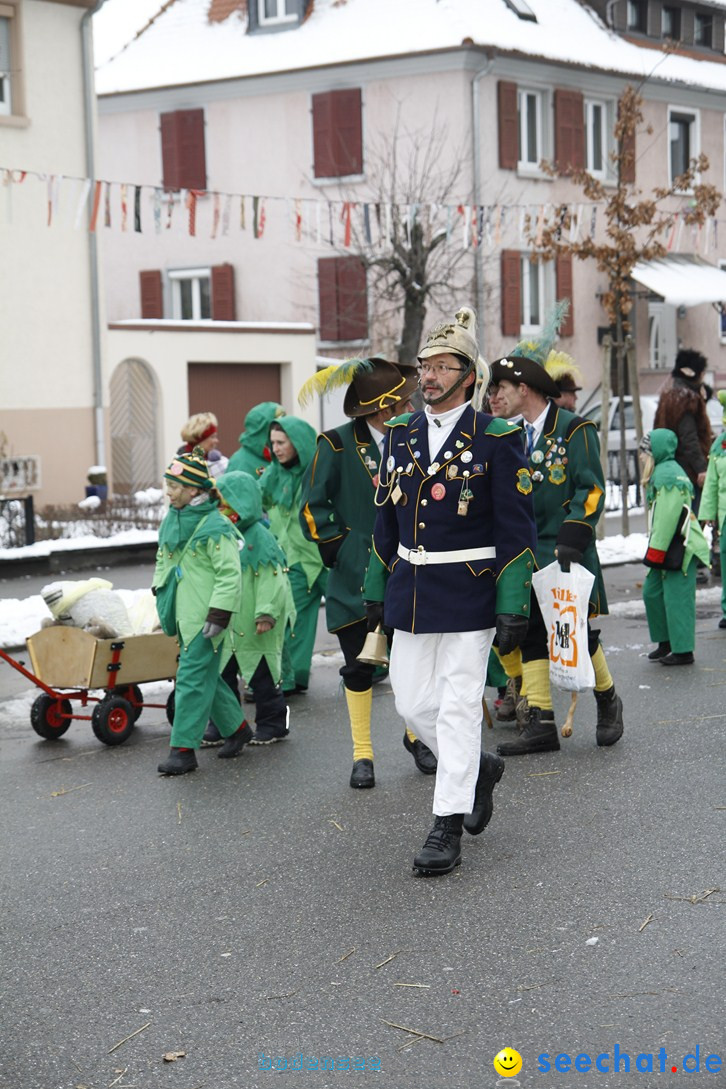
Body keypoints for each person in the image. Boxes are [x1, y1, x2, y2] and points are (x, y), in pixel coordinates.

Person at [365, 307, 537, 876]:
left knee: (462, 704)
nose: (430, 377)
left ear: (470, 376)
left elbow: (516, 531)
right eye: (425, 366)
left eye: (443, 366)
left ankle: (445, 825)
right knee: (412, 702)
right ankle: (478, 770)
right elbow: (385, 521)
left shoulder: (497, 438)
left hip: (471, 588)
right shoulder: (400, 435)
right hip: (412, 589)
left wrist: (513, 602)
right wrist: (375, 589)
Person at [489, 301, 624, 755]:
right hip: (522, 552)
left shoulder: (573, 429)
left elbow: (591, 488)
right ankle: (541, 722)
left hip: (564, 547)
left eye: (500, 387)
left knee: (576, 632)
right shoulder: (504, 435)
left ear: (525, 388)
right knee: (529, 633)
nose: (493, 396)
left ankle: (607, 699)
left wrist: (575, 533)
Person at [298, 356, 437, 788]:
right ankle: (363, 755)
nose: (410, 409)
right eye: (400, 404)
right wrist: (337, 548)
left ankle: (416, 737)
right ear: (379, 410)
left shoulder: (418, 439)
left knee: (408, 663)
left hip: (408, 570)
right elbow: (311, 506)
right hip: (353, 574)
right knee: (358, 668)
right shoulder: (335, 444)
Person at [153, 448, 251, 775]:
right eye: (168, 484)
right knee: (206, 675)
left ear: (195, 490)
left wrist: (219, 613)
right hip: (183, 615)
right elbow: (163, 560)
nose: (169, 491)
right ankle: (237, 729)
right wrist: (159, 592)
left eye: (175, 486)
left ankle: (182, 750)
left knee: (190, 680)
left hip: (207, 618)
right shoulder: (173, 520)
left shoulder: (216, 526)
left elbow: (229, 573)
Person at [207, 471, 295, 744]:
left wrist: (266, 612)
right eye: (219, 504)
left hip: (254, 622)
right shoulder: (220, 535)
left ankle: (272, 723)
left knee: (262, 677)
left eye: (227, 504)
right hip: (227, 623)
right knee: (222, 676)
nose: (222, 510)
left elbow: (272, 580)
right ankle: (226, 724)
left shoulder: (261, 538)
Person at [259, 416, 327, 695]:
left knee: (354, 616)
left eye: (281, 442)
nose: (276, 448)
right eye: (272, 443)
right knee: (293, 619)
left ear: (298, 443)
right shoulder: (270, 476)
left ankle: (374, 666)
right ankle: (290, 677)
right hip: (293, 560)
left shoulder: (319, 473)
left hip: (326, 556)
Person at [640, 430, 710, 665]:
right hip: (671, 545)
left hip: (679, 547)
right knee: (653, 592)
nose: (641, 457)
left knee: (677, 598)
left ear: (655, 453)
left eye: (644, 452)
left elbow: (667, 518)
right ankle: (666, 642)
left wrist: (654, 553)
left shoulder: (668, 475)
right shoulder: (665, 471)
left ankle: (683, 650)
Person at [654, 349, 713, 505]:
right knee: (691, 521)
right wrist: (701, 468)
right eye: (702, 372)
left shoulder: (669, 397)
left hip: (671, 470)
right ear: (692, 373)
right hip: (689, 472)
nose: (703, 376)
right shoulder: (686, 399)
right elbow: (689, 438)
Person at [696, 390, 726, 629]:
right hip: (724, 519)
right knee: (724, 563)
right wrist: (707, 515)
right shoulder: (719, 448)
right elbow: (712, 485)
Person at [227, 401, 286, 478]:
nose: (284, 429)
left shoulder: (279, 455)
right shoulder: (240, 463)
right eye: (277, 426)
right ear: (262, 430)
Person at [179, 411, 229, 479]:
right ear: (199, 439)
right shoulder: (180, 466)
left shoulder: (219, 463)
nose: (217, 441)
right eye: (212, 437)